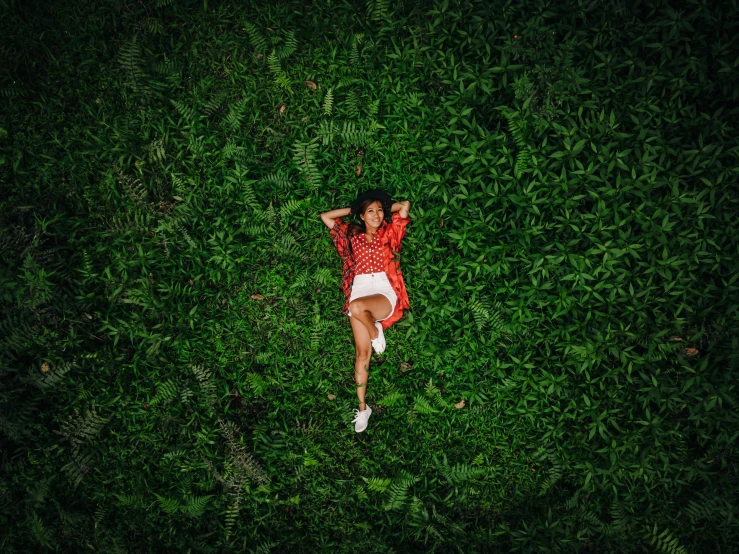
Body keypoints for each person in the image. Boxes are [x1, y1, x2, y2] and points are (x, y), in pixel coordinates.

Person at [320, 189, 411, 432]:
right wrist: (358, 208)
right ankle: (362, 408)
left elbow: (403, 206)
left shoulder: (388, 233)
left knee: (356, 307)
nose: (377, 215)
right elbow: (326, 217)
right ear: (361, 215)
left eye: (380, 210)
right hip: (359, 288)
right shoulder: (351, 235)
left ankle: (375, 330)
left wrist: (382, 206)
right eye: (370, 211)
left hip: (382, 290)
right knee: (362, 355)